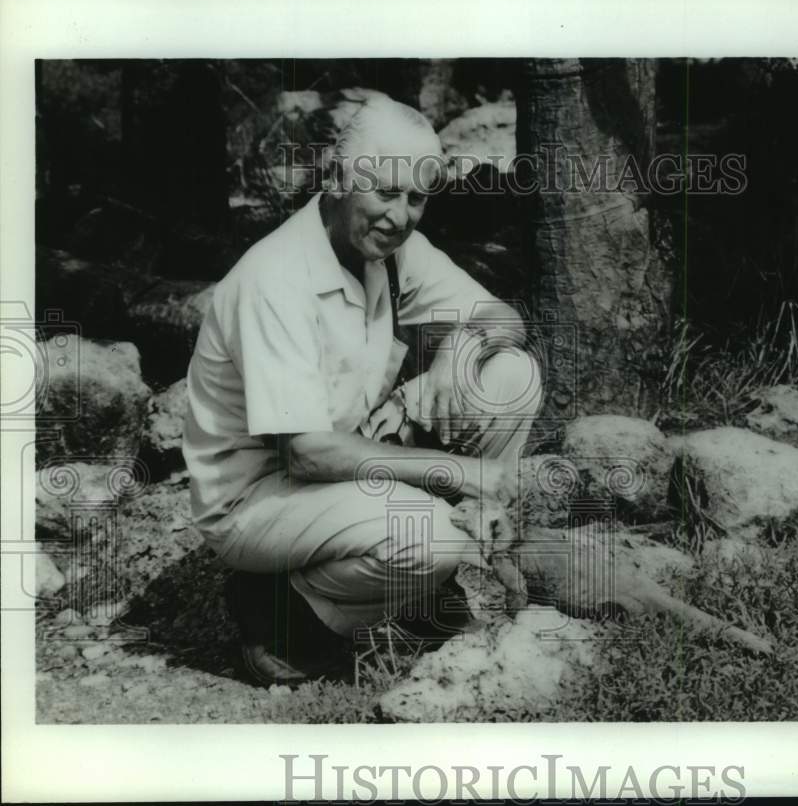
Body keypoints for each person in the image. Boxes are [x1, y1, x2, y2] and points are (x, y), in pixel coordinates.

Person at [182, 93, 542, 686]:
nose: (400, 216)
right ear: (336, 177)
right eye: (385, 191)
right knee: (428, 534)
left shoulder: (395, 251)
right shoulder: (276, 278)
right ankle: (282, 612)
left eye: (417, 198)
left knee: (510, 376)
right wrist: (459, 476)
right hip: (256, 496)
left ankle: (418, 581)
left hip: (334, 463)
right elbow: (305, 450)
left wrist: (458, 349)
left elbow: (507, 320)